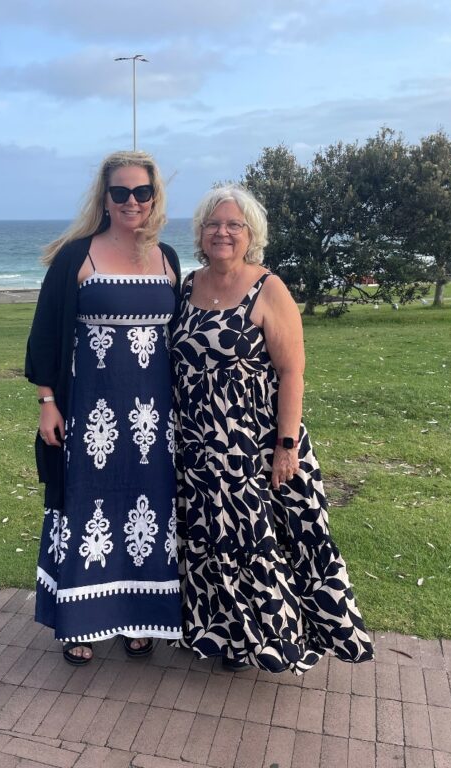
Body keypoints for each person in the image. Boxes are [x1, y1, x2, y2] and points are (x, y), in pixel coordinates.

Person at [170, 185, 373, 673]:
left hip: (253, 445)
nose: (223, 232)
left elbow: (291, 372)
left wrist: (286, 445)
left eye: (234, 225)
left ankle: (276, 640)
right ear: (200, 233)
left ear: (251, 235)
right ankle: (226, 638)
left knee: (260, 542)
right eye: (214, 224)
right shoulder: (186, 285)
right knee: (209, 544)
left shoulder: (268, 288)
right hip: (197, 447)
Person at [25, 151, 183, 665]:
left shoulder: (169, 258)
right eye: (121, 192)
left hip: (154, 421)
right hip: (91, 415)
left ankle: (140, 619)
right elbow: (46, 335)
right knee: (89, 507)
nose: (131, 201)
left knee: (149, 509)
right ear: (105, 197)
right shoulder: (77, 256)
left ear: (154, 197)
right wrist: (48, 402)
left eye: (141, 192)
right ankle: (81, 621)